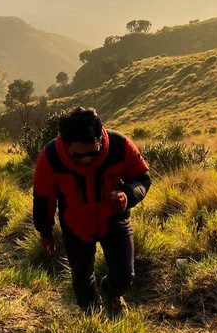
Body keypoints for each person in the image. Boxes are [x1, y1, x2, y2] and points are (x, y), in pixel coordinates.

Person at [32, 106, 151, 314]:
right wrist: (45, 230)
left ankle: (111, 292)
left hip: (114, 221)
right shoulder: (50, 156)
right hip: (74, 225)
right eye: (78, 156)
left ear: (100, 137)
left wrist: (127, 195)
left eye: (92, 153)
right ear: (65, 143)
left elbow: (142, 178)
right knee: (81, 279)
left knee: (124, 276)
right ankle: (93, 319)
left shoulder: (119, 145)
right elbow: (43, 197)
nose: (86, 160)